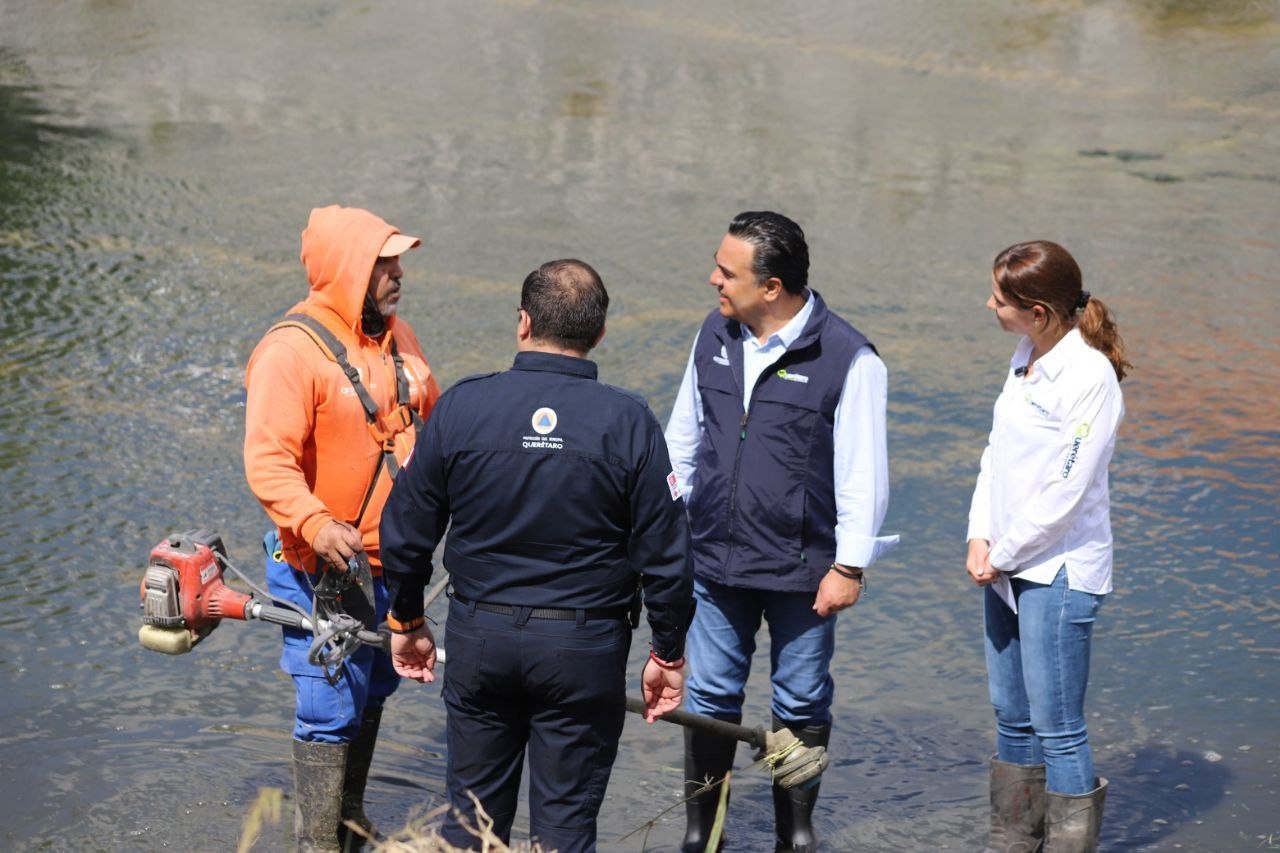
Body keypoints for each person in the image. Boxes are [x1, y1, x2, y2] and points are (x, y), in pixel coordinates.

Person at [379, 259, 694, 853]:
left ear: (523, 323)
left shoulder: (463, 407)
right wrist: (668, 653)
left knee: (471, 823)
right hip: (583, 650)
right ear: (599, 333)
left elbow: (406, 528)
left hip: (481, 638)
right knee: (566, 829)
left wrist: (406, 618)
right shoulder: (628, 422)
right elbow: (668, 555)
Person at [665, 211, 898, 853]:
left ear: (771, 287)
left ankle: (794, 835)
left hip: (806, 573)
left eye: (727, 271)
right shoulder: (713, 334)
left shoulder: (849, 358)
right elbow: (682, 443)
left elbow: (864, 477)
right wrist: (664, 529)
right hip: (713, 560)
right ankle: (700, 834)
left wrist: (849, 568)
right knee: (710, 694)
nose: (713, 278)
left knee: (799, 701)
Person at [243, 204, 441, 852]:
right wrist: (315, 521)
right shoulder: (289, 351)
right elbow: (268, 460)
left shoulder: (399, 338)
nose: (398, 273)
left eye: (398, 262)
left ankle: (349, 819)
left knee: (375, 684)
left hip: (394, 562)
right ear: (347, 270)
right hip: (318, 567)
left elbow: (436, 435)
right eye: (384, 264)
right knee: (328, 705)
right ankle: (317, 842)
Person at [966, 240, 1129, 852]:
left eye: (1000, 299)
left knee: (1058, 727)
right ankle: (1013, 841)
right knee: (1011, 714)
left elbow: (1065, 493)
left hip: (1057, 572)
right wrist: (979, 535)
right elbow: (995, 455)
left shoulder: (1089, 378)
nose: (990, 305)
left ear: (1039, 311)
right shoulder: (1025, 355)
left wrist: (1000, 554)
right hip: (1004, 564)